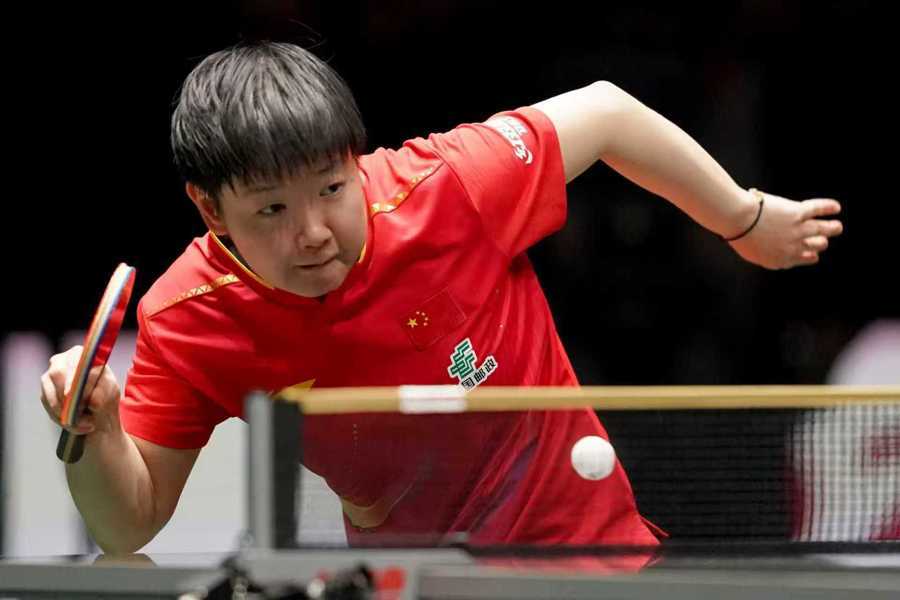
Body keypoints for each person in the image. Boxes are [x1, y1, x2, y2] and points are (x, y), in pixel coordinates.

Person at [40, 42, 842, 554]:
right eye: (272, 210)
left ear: (355, 158)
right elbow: (128, 525)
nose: (313, 232)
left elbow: (606, 112)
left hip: (584, 550)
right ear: (212, 212)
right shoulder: (190, 317)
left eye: (331, 188)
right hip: (413, 577)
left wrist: (744, 218)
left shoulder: (445, 187)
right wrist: (93, 432)